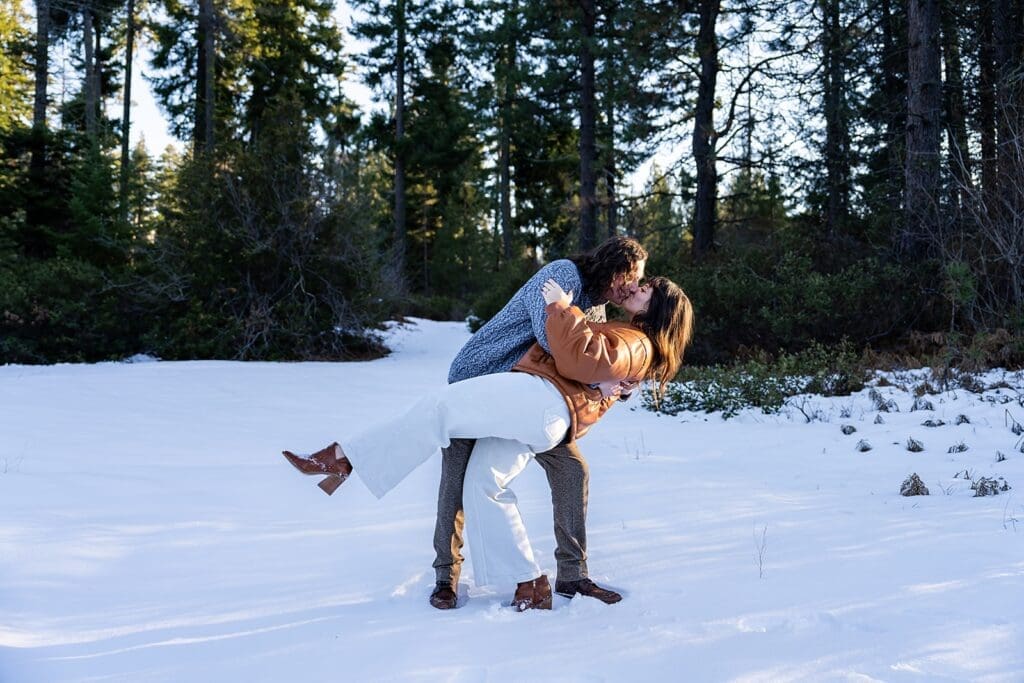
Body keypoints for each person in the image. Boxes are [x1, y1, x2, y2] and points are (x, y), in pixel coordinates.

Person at [282, 275, 694, 611]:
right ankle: (530, 582)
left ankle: (344, 458)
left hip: (539, 399)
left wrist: (559, 306)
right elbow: (593, 370)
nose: (638, 288)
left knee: (439, 407)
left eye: (646, 291)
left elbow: (580, 360)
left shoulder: (636, 340)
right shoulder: (634, 340)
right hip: (545, 417)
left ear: (657, 310)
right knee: (484, 484)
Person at [432, 237, 646, 610]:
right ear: (615, 268)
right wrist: (598, 377)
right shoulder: (563, 275)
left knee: (571, 470)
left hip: (527, 399)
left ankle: (573, 574)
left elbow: (585, 360)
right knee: (457, 480)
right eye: (632, 277)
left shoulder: (594, 308)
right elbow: (555, 344)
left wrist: (614, 385)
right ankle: (445, 578)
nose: (631, 287)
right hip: (478, 381)